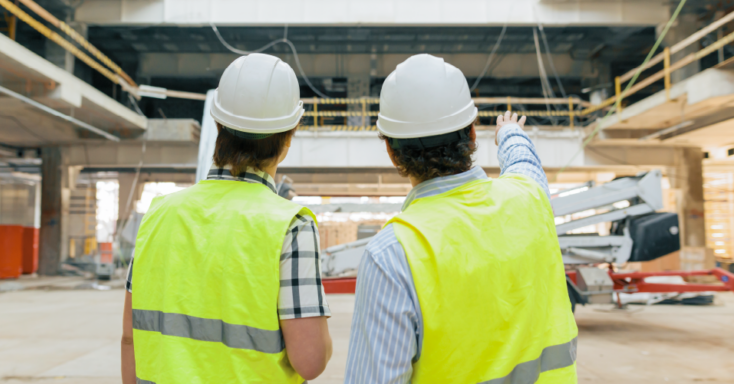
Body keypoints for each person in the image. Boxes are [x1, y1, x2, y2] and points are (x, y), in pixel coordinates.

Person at [345, 54, 578, 384]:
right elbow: (525, 164)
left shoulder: (393, 253)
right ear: (471, 134)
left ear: (392, 153)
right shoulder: (530, 198)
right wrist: (510, 132)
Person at [121, 53, 332, 384]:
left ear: (218, 125)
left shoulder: (158, 215)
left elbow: (130, 338)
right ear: (289, 136)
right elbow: (310, 360)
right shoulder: (291, 226)